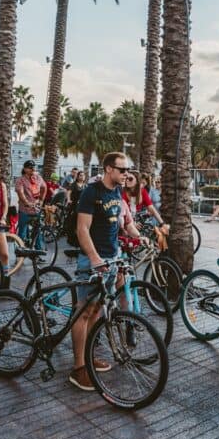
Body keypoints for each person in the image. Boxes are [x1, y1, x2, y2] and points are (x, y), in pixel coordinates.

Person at [71, 152, 146, 390]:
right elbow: (82, 229)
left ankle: (88, 357)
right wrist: (94, 258)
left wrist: (138, 236)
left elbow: (124, 223)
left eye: (128, 170)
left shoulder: (117, 191)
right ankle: (78, 368)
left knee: (96, 312)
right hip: (93, 260)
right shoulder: (91, 192)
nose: (127, 174)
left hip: (112, 259)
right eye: (122, 170)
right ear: (108, 169)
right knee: (83, 312)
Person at [15, 160, 47, 250]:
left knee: (38, 231)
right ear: (25, 169)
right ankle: (20, 253)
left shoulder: (38, 178)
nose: (33, 168)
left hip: (36, 209)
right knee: (22, 232)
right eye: (30, 167)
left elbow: (44, 187)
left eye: (34, 167)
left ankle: (38, 251)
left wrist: (41, 200)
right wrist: (26, 203)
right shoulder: (20, 180)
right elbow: (20, 193)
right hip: (25, 210)